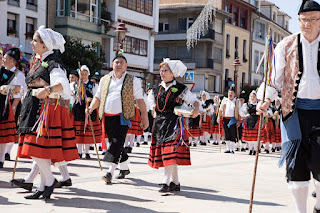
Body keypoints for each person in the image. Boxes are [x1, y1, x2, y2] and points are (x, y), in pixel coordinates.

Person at [257, 1, 320, 212]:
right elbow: (275, 79)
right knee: (296, 164)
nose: (307, 24)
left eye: (313, 19)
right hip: (293, 113)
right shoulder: (286, 44)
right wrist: (265, 99)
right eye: (304, 20)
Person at [17, 25, 78, 200]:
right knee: (39, 150)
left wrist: (48, 90)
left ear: (45, 45)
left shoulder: (53, 62)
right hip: (34, 107)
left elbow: (63, 85)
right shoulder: (37, 60)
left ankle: (49, 181)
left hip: (45, 110)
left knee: (36, 149)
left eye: (35, 40)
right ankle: (43, 185)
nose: (32, 42)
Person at [87, 52, 148, 184]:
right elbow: (98, 97)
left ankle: (109, 172)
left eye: (122, 62)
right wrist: (91, 108)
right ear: (112, 65)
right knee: (116, 144)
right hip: (107, 116)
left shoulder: (133, 80)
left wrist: (145, 117)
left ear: (126, 65)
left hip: (123, 117)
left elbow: (140, 100)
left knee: (116, 143)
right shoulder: (105, 79)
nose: (119, 64)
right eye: (116, 62)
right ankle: (124, 168)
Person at [147, 58, 200, 192]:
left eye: (165, 70)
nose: (162, 73)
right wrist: (153, 108)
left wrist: (196, 109)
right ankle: (175, 182)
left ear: (173, 73)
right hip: (159, 123)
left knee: (169, 152)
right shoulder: (156, 88)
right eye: (161, 70)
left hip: (174, 123)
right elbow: (151, 102)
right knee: (169, 154)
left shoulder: (180, 88)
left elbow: (194, 101)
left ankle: (165, 182)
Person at [0, 48, 25, 168]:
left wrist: (14, 106)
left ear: (11, 60)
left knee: (6, 132)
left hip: (9, 104)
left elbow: (20, 92)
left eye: (4, 58)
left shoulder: (18, 75)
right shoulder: (1, 70)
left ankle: (4, 156)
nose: (3, 60)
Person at [71, 65, 102, 159]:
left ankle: (87, 151)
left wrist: (91, 100)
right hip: (78, 109)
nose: (84, 76)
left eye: (85, 74)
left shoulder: (93, 85)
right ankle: (79, 151)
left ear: (88, 74)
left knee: (88, 131)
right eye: (82, 74)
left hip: (89, 109)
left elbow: (98, 96)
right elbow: (72, 95)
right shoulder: (75, 84)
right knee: (79, 130)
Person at [218, 86, 240, 154]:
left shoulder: (236, 101)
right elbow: (220, 110)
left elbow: (239, 112)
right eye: (229, 93)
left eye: (232, 93)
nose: (230, 94)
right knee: (226, 133)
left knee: (233, 133)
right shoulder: (224, 100)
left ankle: (232, 149)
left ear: (234, 94)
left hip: (233, 119)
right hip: (225, 118)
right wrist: (218, 117)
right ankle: (227, 148)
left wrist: (239, 120)